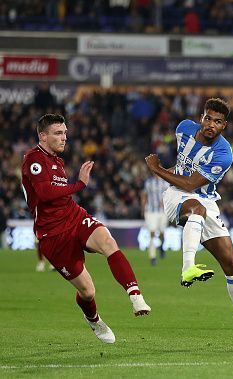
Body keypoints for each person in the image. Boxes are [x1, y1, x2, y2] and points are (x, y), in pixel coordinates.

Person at [145, 98, 233, 345]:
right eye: (208, 118)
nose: (211, 125)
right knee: (195, 210)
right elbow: (182, 170)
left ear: (224, 125)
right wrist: (169, 171)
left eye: (217, 121)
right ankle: (187, 268)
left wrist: (156, 168)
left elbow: (191, 183)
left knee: (232, 263)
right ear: (201, 117)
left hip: (203, 198)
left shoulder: (223, 154)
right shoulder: (183, 128)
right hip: (176, 196)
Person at [21, 114, 151, 344]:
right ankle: (94, 319)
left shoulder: (58, 161)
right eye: (58, 133)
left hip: (75, 216)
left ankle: (135, 296)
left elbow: (60, 196)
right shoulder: (33, 160)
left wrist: (75, 188)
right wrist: (79, 184)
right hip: (53, 234)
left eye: (65, 133)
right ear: (42, 136)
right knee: (88, 292)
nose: (64, 138)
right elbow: (44, 194)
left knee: (108, 242)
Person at [141, 175, 169, 265]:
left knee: (162, 233)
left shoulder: (165, 183)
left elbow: (169, 195)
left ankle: (161, 246)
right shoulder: (148, 182)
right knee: (152, 232)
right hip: (150, 211)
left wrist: (165, 202)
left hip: (162, 212)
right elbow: (144, 195)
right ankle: (152, 257)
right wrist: (143, 208)